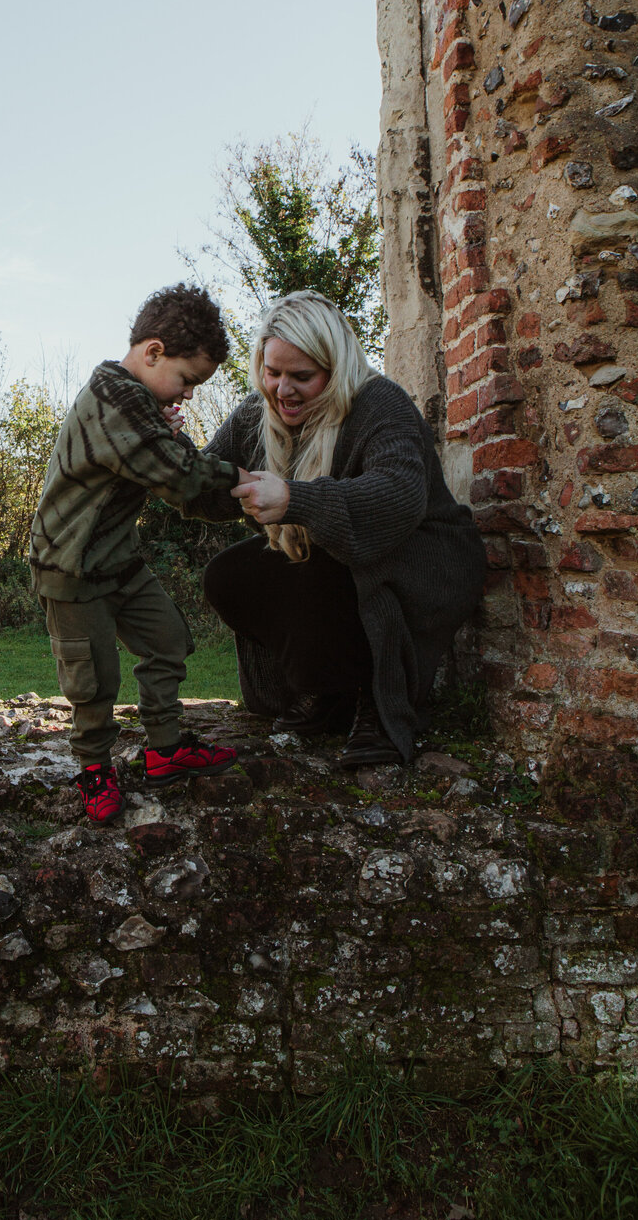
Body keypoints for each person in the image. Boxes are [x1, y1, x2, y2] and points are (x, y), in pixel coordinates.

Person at [198, 290, 485, 768]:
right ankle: (326, 692)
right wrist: (167, 456)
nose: (282, 389)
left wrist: (295, 499)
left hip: (421, 560)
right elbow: (208, 486)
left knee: (330, 566)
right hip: (336, 561)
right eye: (272, 372)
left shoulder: (379, 402)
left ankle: (378, 699)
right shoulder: (257, 413)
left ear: (335, 368)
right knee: (232, 575)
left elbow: (398, 498)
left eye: (302, 376)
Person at [30, 283, 242, 823]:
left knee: (168, 639)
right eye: (188, 379)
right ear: (153, 352)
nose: (189, 394)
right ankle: (95, 768)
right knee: (93, 680)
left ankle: (165, 750)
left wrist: (169, 439)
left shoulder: (135, 399)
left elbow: (166, 461)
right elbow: (180, 479)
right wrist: (248, 482)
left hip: (118, 561)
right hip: (71, 567)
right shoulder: (113, 401)